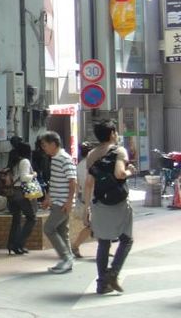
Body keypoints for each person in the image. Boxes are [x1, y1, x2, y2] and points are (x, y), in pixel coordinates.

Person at [84, 120, 137, 294]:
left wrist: (87, 208)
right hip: (119, 203)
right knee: (127, 239)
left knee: (103, 243)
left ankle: (102, 284)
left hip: (100, 203)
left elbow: (89, 182)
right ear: (112, 133)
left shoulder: (91, 154)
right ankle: (113, 273)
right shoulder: (119, 150)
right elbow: (119, 173)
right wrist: (131, 172)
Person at [40, 131, 77, 274]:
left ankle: (66, 258)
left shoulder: (64, 158)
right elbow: (55, 182)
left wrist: (68, 201)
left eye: (45, 145)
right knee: (62, 231)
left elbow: (72, 181)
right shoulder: (56, 158)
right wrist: (48, 198)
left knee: (49, 228)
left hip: (62, 203)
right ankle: (68, 260)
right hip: (58, 201)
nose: (44, 148)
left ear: (53, 144)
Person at [6, 138, 37, 255]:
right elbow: (24, 178)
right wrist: (33, 174)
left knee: (16, 219)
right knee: (32, 218)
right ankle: (18, 244)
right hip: (22, 192)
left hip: (13, 193)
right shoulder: (25, 161)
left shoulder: (14, 161)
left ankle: (11, 244)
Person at [72, 141, 96, 258]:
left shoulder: (80, 165)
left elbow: (77, 185)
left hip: (85, 198)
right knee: (93, 225)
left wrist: (77, 198)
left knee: (96, 225)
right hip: (93, 198)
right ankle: (75, 245)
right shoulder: (92, 165)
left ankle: (104, 248)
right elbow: (90, 184)